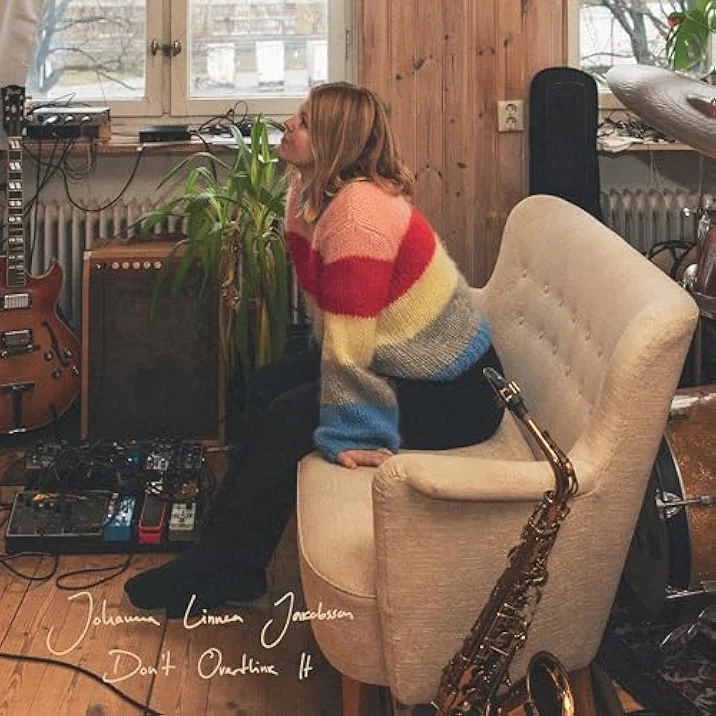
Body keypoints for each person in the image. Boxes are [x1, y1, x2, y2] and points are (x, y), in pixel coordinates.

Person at [124, 81, 505, 617]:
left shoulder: (359, 213)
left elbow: (350, 336)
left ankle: (218, 564)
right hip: (398, 358)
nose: (288, 124)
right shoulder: (310, 196)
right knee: (263, 386)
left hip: (458, 392)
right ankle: (231, 555)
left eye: (303, 122)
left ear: (331, 141)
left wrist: (352, 431)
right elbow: (329, 312)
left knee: (289, 416)